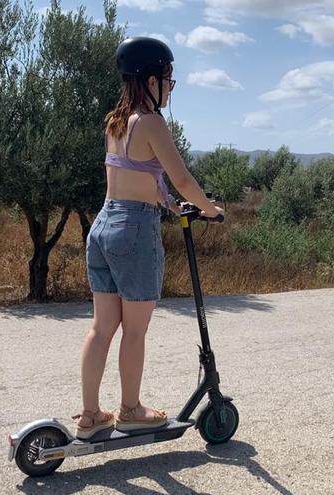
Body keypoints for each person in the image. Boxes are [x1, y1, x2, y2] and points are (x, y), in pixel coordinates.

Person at [72, 37, 223, 440]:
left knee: (102, 328)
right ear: (152, 78)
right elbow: (183, 178)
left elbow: (135, 175)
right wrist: (209, 209)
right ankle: (130, 409)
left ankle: (90, 416)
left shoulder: (115, 122)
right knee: (134, 330)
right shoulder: (152, 122)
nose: (171, 86)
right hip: (135, 230)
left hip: (104, 226)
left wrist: (171, 205)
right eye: (169, 78)